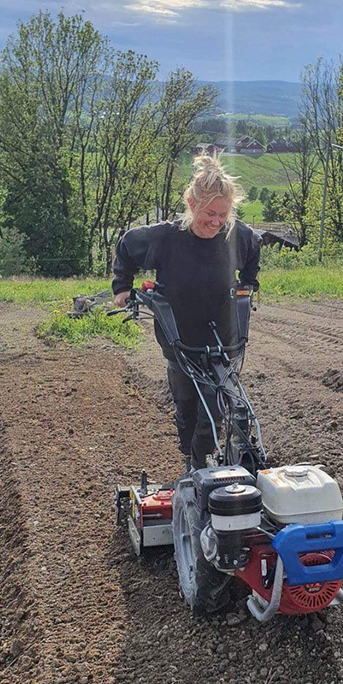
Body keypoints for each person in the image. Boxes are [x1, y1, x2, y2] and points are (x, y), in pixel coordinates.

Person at [112, 154, 261, 471]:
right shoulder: (165, 239)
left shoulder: (238, 236)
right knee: (186, 407)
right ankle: (189, 454)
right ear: (192, 204)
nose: (216, 221)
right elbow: (126, 246)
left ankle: (201, 470)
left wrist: (248, 284)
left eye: (223, 214)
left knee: (217, 404)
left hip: (221, 338)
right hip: (178, 339)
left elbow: (253, 249)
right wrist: (122, 287)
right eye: (210, 213)